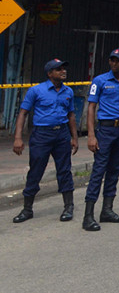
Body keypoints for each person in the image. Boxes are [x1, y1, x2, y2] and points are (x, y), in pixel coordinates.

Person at [11, 59, 78, 224]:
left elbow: (71, 116)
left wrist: (74, 137)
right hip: (41, 135)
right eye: (59, 69)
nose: (63, 72)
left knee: (64, 170)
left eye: (64, 69)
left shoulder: (68, 91)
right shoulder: (36, 91)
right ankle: (27, 209)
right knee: (35, 171)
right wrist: (18, 138)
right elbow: (23, 113)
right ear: (50, 73)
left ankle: (68, 207)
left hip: (61, 134)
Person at [82, 48, 119, 231]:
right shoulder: (100, 81)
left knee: (115, 170)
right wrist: (91, 135)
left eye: (118, 60)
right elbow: (91, 107)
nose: (114, 63)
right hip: (105, 130)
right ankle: (88, 215)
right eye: (112, 60)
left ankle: (107, 210)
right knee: (99, 171)